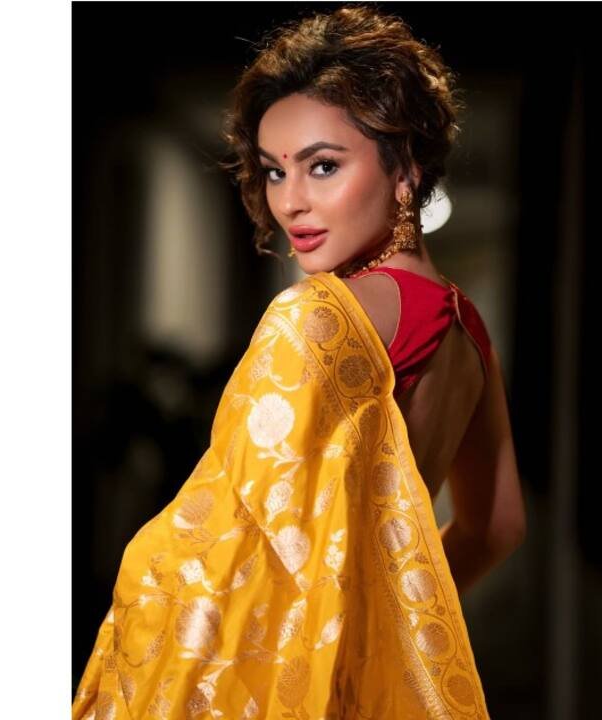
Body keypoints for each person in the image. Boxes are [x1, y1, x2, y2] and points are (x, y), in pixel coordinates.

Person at [73, 6, 525, 718]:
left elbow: (227, 559)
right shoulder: (469, 331)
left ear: (406, 167)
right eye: (274, 171)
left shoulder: (315, 317)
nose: (291, 201)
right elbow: (496, 528)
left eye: (323, 166)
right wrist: (381, 635)